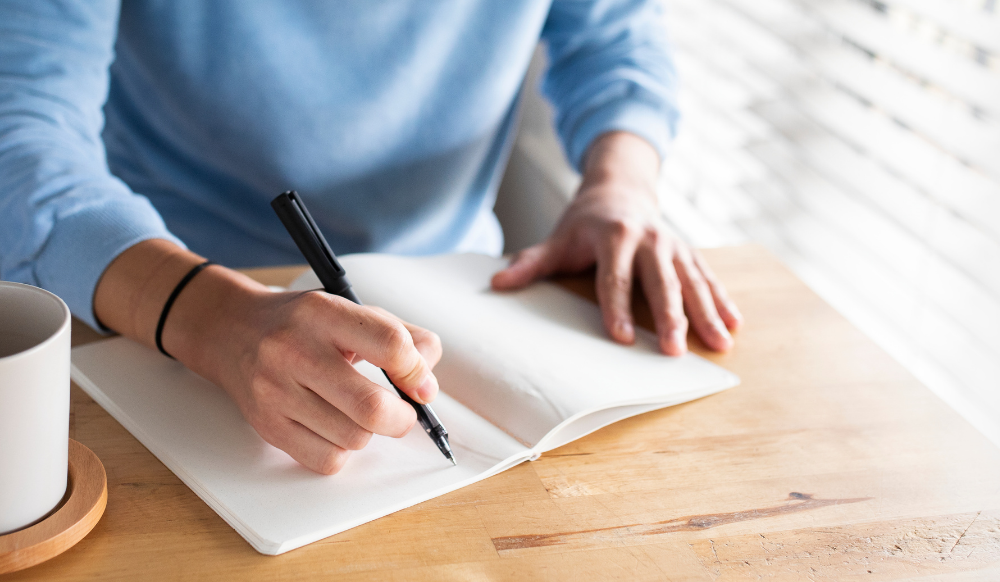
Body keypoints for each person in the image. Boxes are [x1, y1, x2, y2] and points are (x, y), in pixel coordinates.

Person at [0, 0, 742, 474]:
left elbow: (615, 36)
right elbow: (20, 137)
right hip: (146, 297)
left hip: (461, 278)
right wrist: (209, 316)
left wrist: (621, 181)